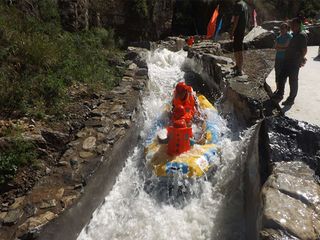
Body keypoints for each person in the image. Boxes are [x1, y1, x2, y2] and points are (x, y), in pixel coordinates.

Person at [273, 18, 307, 106]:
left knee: (293, 81)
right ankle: (280, 94)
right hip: (287, 61)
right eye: (292, 25)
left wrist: (301, 59)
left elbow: (304, 50)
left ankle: (291, 99)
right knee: (281, 77)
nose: (292, 26)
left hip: (294, 62)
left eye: (294, 25)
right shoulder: (293, 35)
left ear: (299, 26)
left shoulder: (301, 35)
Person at [229, 0, 249, 76]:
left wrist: (232, 31)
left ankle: (239, 69)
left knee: (238, 49)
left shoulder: (238, 5)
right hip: (242, 29)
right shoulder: (244, 4)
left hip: (238, 30)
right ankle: (237, 65)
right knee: (237, 47)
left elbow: (236, 19)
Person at [273, 22, 292, 92]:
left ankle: (281, 90)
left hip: (285, 58)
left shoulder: (289, 36)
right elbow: (276, 47)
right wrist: (283, 47)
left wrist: (280, 47)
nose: (282, 29)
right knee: (277, 73)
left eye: (284, 28)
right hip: (278, 58)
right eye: (281, 28)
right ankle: (277, 88)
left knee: (283, 75)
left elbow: (287, 46)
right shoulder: (278, 37)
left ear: (287, 29)